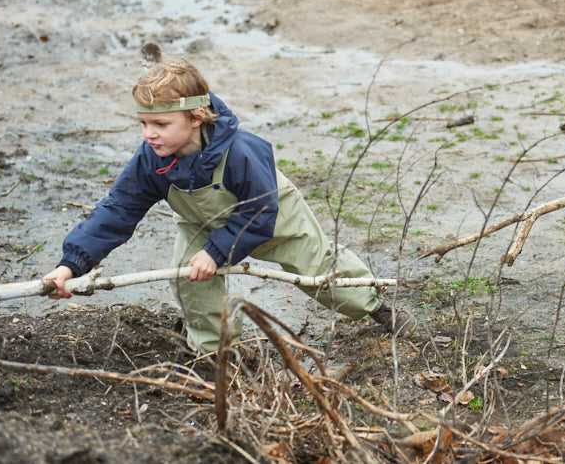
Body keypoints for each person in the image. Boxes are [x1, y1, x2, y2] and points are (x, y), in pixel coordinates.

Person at [44, 50, 415, 354]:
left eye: (160, 124)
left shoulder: (241, 151)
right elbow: (118, 209)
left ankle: (377, 306)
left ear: (196, 117)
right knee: (190, 280)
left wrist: (219, 251)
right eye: (143, 124)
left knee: (317, 268)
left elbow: (260, 211)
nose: (149, 134)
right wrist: (72, 263)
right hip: (202, 225)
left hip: (269, 214)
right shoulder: (151, 159)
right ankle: (217, 355)